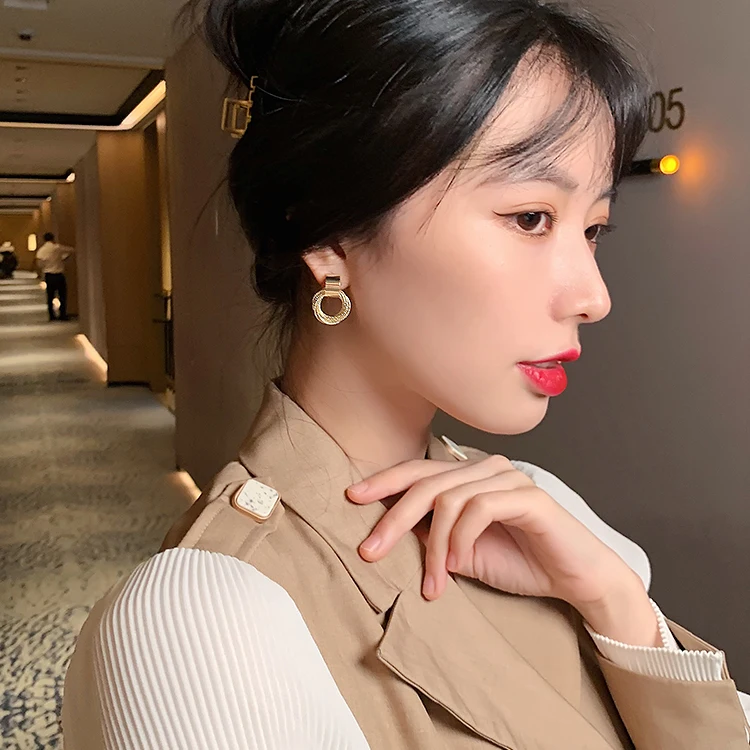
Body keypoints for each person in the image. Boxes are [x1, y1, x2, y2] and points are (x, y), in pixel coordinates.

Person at [62, 0, 750, 747]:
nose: (593, 296)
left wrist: (620, 609)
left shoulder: (537, 506)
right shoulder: (204, 622)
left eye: (593, 229)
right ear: (329, 235)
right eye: (530, 218)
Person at [36, 232, 74, 321]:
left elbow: (39, 263)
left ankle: (51, 315)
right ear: (53, 238)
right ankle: (62, 314)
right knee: (62, 295)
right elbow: (71, 250)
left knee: (50, 296)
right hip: (59, 274)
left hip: (49, 275)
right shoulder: (58, 248)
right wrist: (62, 258)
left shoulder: (42, 250)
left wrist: (45, 267)